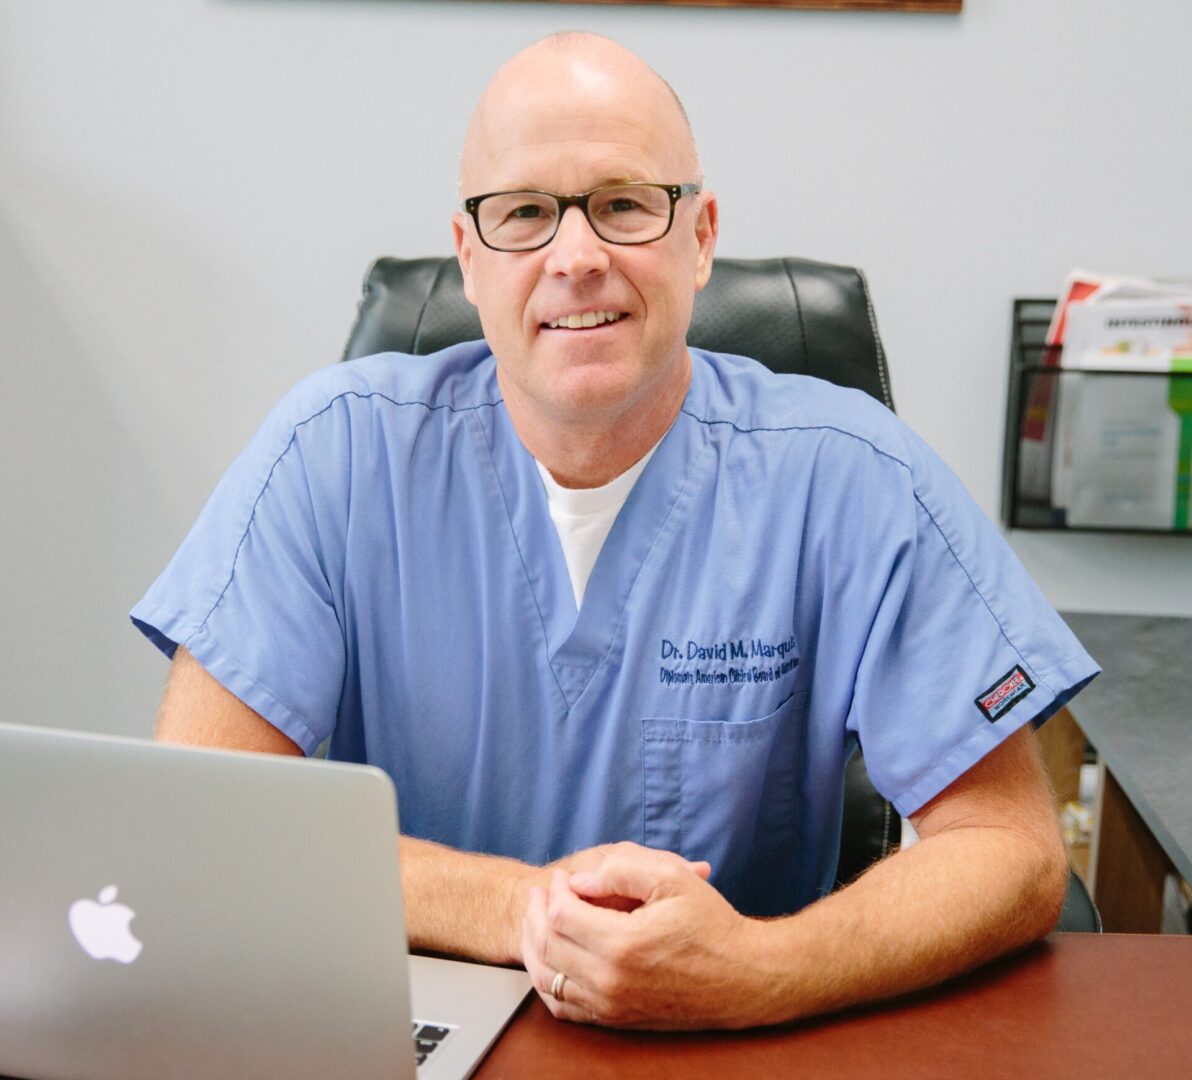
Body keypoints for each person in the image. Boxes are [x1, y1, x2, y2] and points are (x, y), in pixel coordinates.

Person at [132, 32, 1098, 1031]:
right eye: (524, 214)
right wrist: (528, 913)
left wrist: (762, 968)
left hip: (738, 1047)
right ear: (469, 258)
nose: (577, 258)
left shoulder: (851, 476)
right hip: (398, 1034)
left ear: (701, 234)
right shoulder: (329, 455)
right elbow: (205, 819)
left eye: (625, 204)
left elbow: (1011, 848)